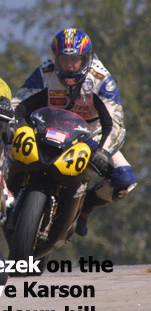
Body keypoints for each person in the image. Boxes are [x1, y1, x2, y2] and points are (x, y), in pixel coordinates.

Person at [10, 28, 137, 236]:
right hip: (47, 129)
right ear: (55, 58)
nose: (69, 66)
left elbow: (116, 124)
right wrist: (10, 125)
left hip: (88, 136)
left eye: (75, 60)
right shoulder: (45, 72)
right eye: (63, 60)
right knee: (7, 145)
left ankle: (84, 209)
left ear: (86, 58)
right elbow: (19, 103)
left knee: (125, 179)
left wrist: (104, 152)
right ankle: (3, 196)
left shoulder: (101, 79)